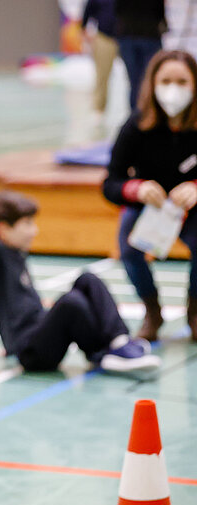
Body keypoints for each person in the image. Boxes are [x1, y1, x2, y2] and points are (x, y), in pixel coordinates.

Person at [0, 191, 161, 381]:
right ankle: (102, 354)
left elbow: (16, 302)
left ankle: (120, 341)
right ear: (3, 229)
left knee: (88, 279)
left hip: (37, 332)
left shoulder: (14, 251)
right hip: (32, 353)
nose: (34, 230)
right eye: (27, 223)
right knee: (70, 302)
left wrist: (8, 344)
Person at [104, 49, 197, 341]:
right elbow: (111, 182)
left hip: (193, 208)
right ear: (152, 83)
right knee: (128, 245)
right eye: (166, 80)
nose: (173, 89)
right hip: (150, 207)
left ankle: (195, 311)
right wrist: (136, 189)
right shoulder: (136, 125)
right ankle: (152, 311)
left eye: (182, 81)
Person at [113, 0, 165, 109]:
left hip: (134, 37)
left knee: (136, 81)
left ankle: (138, 114)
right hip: (147, 37)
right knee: (146, 80)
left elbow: (118, 11)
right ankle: (141, 114)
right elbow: (160, 13)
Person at [82, 0, 117, 119]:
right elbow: (88, 11)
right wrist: (84, 29)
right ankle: (98, 109)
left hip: (128, 36)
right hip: (105, 37)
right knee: (102, 74)